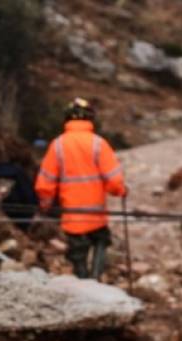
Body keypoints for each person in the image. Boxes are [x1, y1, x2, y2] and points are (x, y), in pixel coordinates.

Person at [35, 97, 127, 279]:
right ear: (90, 119)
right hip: (96, 214)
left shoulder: (58, 145)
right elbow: (114, 179)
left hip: (72, 214)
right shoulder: (98, 144)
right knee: (101, 241)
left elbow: (46, 178)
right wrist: (121, 191)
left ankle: (83, 281)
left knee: (77, 252)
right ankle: (96, 277)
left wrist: (45, 200)